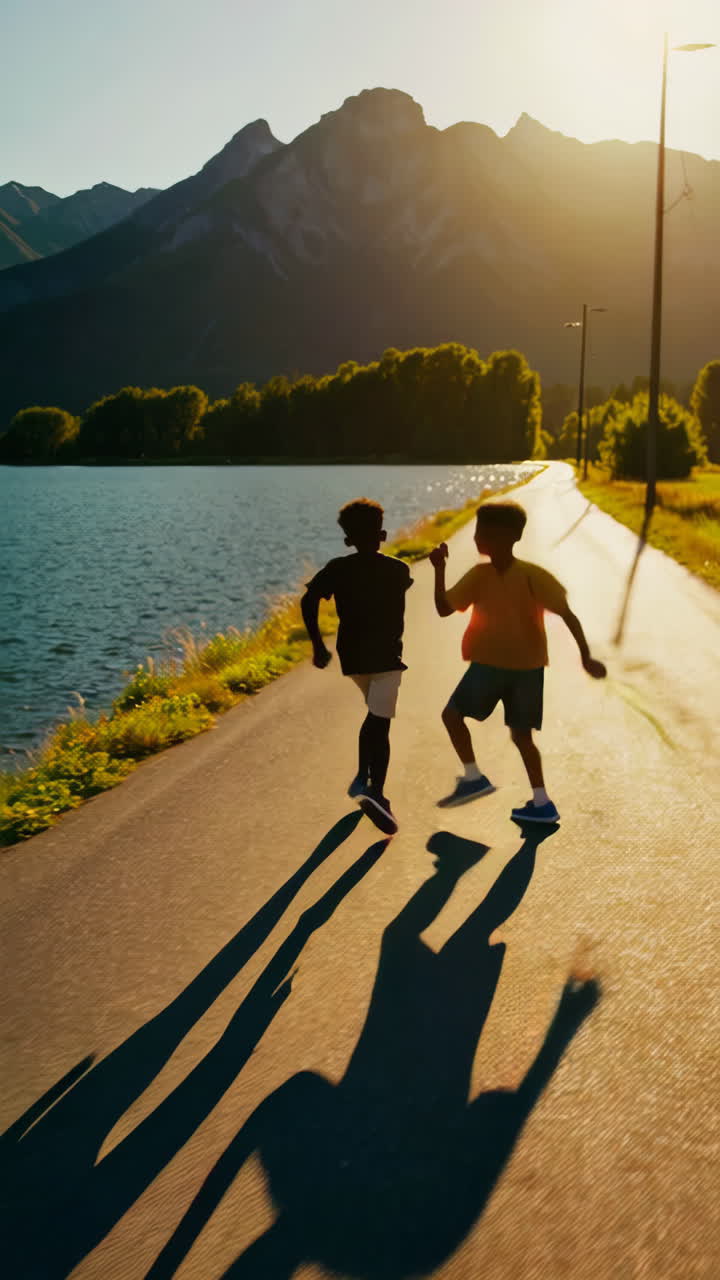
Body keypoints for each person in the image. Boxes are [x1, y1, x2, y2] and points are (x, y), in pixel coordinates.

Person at [429, 500, 606, 823]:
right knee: (521, 736)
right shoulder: (480, 576)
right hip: (526, 669)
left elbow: (567, 615)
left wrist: (585, 655)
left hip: (494, 667)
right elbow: (445, 608)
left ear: (508, 536)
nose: (477, 538)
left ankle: (474, 777)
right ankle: (542, 803)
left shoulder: (530, 576)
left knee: (454, 716)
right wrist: (439, 570)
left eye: (483, 532)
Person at [301, 498, 412, 835]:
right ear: (383, 534)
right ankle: (375, 792)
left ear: (347, 540)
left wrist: (317, 644)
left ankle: (362, 777)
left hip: (353, 658)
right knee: (380, 721)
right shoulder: (398, 570)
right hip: (387, 658)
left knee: (374, 715)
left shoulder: (337, 568)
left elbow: (308, 600)